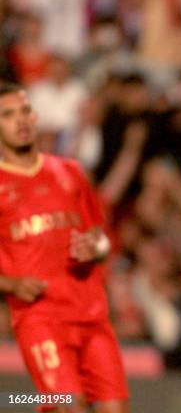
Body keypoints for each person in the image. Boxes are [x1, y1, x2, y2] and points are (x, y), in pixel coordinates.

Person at [0, 83, 129, 413]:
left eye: (25, 111)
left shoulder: (69, 172)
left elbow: (102, 237)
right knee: (69, 406)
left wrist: (95, 247)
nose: (21, 121)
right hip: (40, 317)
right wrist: (11, 284)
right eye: (8, 114)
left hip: (92, 316)